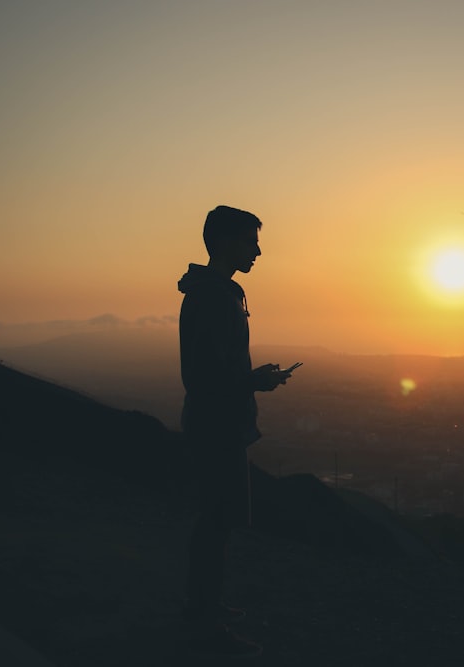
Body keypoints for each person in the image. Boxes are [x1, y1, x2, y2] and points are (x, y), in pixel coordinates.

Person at [177, 205, 294, 657]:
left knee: (217, 523)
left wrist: (252, 379)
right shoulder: (212, 296)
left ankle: (203, 606)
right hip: (217, 427)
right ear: (224, 243)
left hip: (221, 423)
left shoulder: (221, 292)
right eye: (250, 241)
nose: (259, 251)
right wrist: (254, 381)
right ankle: (204, 625)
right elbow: (202, 376)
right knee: (216, 523)